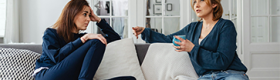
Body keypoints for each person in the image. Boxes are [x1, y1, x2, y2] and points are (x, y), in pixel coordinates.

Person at [132, 0, 249, 80]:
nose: (196, 5)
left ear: (214, 4)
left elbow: (223, 61)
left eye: (201, 0)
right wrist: (145, 31)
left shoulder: (226, 26)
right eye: (194, 1)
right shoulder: (192, 28)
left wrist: (192, 49)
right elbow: (168, 39)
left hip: (231, 74)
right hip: (205, 77)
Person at [33, 0, 136, 80]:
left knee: (130, 79)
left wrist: (98, 20)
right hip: (47, 75)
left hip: (72, 78)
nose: (88, 19)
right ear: (72, 14)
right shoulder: (51, 33)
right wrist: (83, 39)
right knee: (97, 41)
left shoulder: (85, 40)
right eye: (85, 14)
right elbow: (56, 57)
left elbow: (115, 38)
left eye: (89, 15)